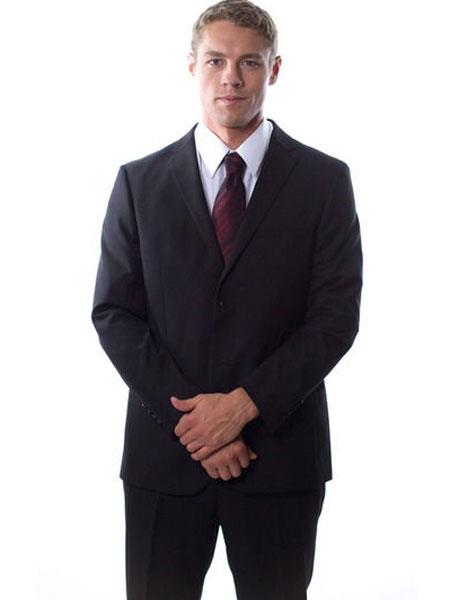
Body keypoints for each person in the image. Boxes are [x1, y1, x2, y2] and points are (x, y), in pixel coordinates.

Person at [91, 1, 363, 598]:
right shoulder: (138, 183)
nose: (231, 78)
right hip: (165, 460)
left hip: (280, 460)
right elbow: (114, 313)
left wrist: (243, 406)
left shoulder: (324, 182)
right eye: (216, 61)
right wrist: (196, 425)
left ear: (275, 69)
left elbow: (335, 319)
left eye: (250, 63)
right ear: (192, 66)